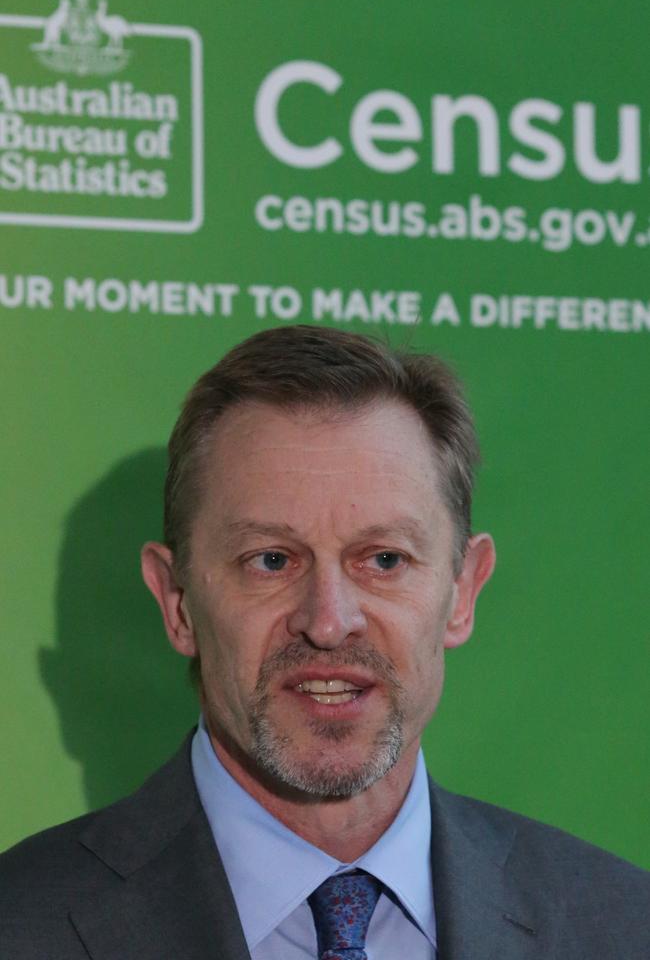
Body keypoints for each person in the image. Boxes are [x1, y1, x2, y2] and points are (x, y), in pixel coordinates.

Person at [1, 325, 648, 960]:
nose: (329, 622)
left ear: (464, 591)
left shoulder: (621, 927)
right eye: (271, 561)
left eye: (385, 560)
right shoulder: (20, 924)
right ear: (177, 603)